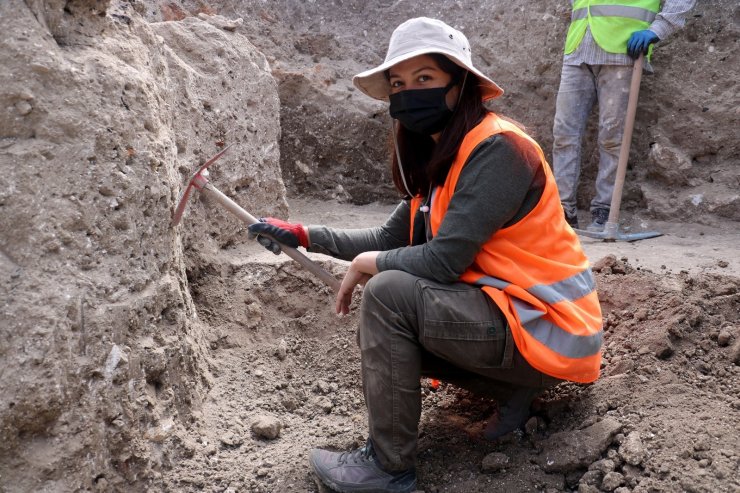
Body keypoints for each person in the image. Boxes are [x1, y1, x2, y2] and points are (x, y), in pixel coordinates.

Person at [249, 17, 603, 493]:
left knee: (391, 294)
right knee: (397, 289)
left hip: (551, 327)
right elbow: (387, 239)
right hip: (520, 324)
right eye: (398, 83)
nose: (407, 92)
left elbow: (442, 263)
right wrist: (304, 234)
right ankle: (514, 390)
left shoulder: (499, 149)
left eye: (424, 80)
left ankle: (388, 468)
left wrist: (366, 267)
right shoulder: (445, 160)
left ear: (460, 86)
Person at [553, 0, 696, 231]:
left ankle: (605, 210)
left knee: (612, 137)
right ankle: (562, 211)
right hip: (578, 48)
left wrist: (656, 30)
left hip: (622, 50)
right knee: (563, 135)